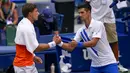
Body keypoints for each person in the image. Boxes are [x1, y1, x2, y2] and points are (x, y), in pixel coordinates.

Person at [57, 3, 119, 73]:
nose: (80, 15)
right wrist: (60, 43)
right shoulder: (80, 31)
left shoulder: (98, 25)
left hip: (109, 63)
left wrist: (77, 44)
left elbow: (93, 43)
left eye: (82, 12)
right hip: (95, 66)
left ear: (89, 12)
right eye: (79, 13)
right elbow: (70, 47)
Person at [13, 3, 61, 73]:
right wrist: (53, 43)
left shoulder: (25, 23)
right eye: (36, 11)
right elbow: (36, 48)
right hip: (24, 67)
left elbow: (26, 45)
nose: (38, 13)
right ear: (30, 14)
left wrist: (33, 56)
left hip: (28, 64)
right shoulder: (27, 28)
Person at [85, 0, 128, 72]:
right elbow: (86, 3)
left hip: (109, 17)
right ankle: (98, 65)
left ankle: (116, 64)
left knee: (114, 41)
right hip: (96, 18)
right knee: (96, 42)